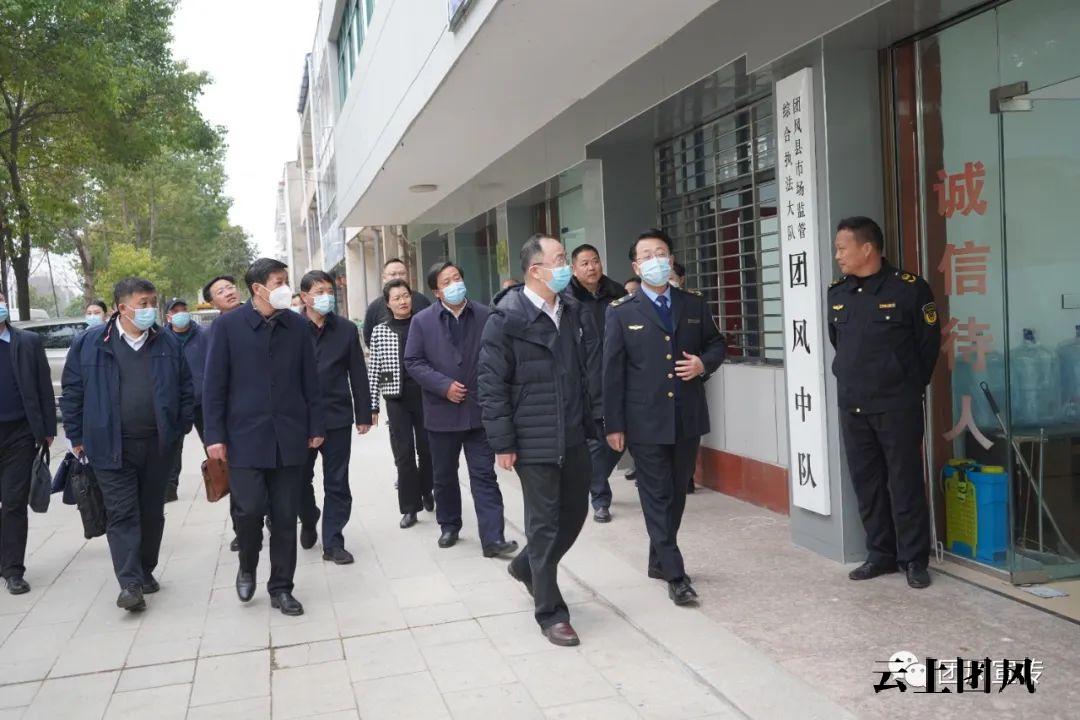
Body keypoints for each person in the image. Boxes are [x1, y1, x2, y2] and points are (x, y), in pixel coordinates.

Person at [479, 234, 601, 647]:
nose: (566, 267)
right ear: (536, 270)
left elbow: (587, 371)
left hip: (574, 433)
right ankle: (551, 613)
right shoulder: (505, 320)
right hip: (533, 439)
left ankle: (525, 566)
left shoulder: (573, 310)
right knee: (545, 524)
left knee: (575, 514)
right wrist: (502, 443)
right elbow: (491, 385)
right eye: (560, 259)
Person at [604, 229, 726, 607]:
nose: (655, 260)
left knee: (675, 494)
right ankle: (676, 574)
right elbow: (611, 372)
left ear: (671, 260)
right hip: (645, 420)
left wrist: (703, 363)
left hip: (687, 415)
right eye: (647, 255)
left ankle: (658, 558)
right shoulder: (621, 311)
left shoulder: (693, 303)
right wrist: (613, 424)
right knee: (655, 495)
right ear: (636, 266)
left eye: (661, 253)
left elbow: (716, 343)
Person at [61, 278, 194, 612]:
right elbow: (73, 391)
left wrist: (180, 428)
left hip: (158, 445)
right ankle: (130, 584)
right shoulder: (90, 343)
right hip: (109, 446)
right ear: (122, 308)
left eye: (152, 302)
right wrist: (76, 437)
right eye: (142, 303)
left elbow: (185, 387)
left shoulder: (167, 341)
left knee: (151, 512)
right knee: (122, 513)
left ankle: (145, 570)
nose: (150, 309)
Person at [203, 258, 325, 616]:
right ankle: (247, 565)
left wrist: (316, 426)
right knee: (250, 510)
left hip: (289, 436)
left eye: (286, 280)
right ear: (258, 289)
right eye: (278, 282)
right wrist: (214, 435)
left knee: (285, 516)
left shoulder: (297, 326)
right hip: (245, 437)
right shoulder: (227, 327)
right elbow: (214, 386)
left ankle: (281, 587)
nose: (286, 287)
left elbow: (310, 381)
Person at [829, 216, 940, 589]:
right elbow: (839, 343)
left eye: (842, 248)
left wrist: (905, 385)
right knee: (867, 482)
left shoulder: (910, 289)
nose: (838, 256)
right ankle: (880, 554)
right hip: (853, 405)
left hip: (897, 405)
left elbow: (928, 347)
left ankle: (914, 559)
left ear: (866, 249)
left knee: (904, 481)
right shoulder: (837, 293)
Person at [403, 261, 516, 557]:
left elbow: (498, 355)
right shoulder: (422, 321)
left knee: (484, 476)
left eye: (457, 278)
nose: (454, 284)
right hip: (442, 412)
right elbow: (413, 361)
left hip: (479, 412)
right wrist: (443, 386)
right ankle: (449, 525)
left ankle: (493, 538)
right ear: (436, 291)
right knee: (444, 475)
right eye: (446, 281)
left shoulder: (485, 315)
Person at [296, 270, 372, 564]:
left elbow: (358, 373)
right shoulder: (290, 328)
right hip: (300, 420)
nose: (326, 296)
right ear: (304, 297)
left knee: (337, 481)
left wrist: (364, 413)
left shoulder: (345, 329)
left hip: (336, 416)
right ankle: (308, 516)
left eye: (329, 291)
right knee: (299, 480)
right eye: (319, 291)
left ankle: (333, 542)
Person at [0, 291, 55, 595]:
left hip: (20, 434)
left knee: (14, 502)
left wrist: (47, 429)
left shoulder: (27, 342)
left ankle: (13, 570)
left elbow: (44, 386)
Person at [567, 243, 627, 523]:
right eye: (584, 263)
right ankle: (600, 499)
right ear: (574, 269)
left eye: (595, 261)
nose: (591, 267)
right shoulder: (567, 300)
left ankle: (596, 479)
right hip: (587, 382)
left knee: (621, 440)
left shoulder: (618, 295)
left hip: (619, 378)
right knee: (595, 444)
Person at [368, 279, 434, 528]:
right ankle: (409, 508)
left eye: (405, 295)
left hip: (426, 397)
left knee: (427, 450)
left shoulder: (425, 323)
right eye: (396, 298)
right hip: (396, 400)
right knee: (404, 454)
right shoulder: (380, 331)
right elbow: (374, 369)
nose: (403, 301)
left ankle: (427, 489)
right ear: (388, 303)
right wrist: (372, 405)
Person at [199, 275, 249, 552]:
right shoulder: (212, 333)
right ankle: (242, 529)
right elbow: (211, 382)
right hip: (232, 419)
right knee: (236, 476)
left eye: (230, 287)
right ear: (211, 302)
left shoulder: (260, 317)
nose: (228, 292)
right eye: (220, 291)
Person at [162, 298, 203, 503]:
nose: (180, 313)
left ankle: (224, 481)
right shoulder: (162, 339)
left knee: (213, 443)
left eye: (183, 309)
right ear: (168, 316)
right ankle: (169, 489)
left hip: (203, 401)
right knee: (173, 447)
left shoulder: (203, 335)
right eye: (175, 310)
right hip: (176, 403)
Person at [363, 258, 431, 346]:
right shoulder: (374, 307)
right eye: (393, 274)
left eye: (402, 273)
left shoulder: (422, 300)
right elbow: (369, 339)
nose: (398, 277)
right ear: (384, 278)